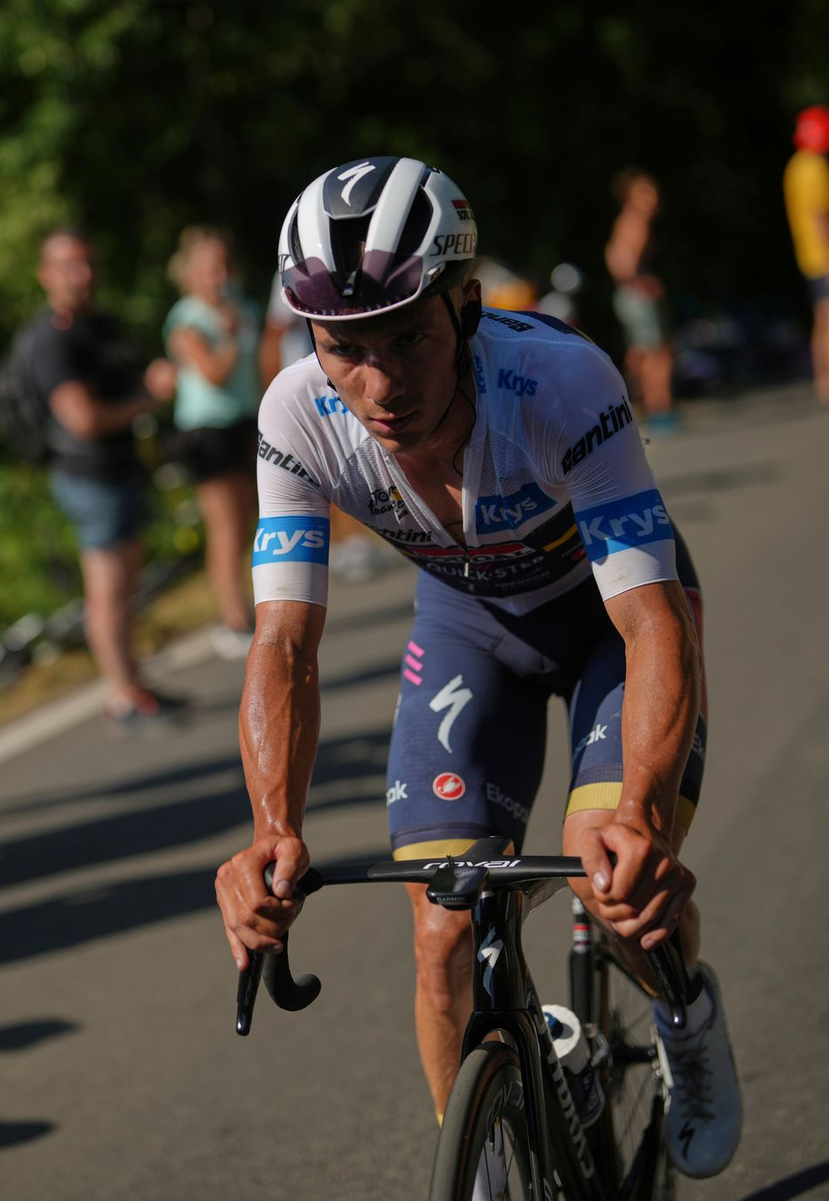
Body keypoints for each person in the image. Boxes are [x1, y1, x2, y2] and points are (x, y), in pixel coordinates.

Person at [214, 157, 741, 1180]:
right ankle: (490, 1167)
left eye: (407, 338)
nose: (378, 383)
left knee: (609, 871)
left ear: (466, 306)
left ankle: (686, 1012)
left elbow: (651, 620)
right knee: (441, 931)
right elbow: (283, 644)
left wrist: (638, 803)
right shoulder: (294, 418)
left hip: (609, 621)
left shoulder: (562, 383)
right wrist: (272, 827)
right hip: (470, 623)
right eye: (343, 349)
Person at [24, 227, 182, 734]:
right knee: (107, 589)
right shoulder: (52, 339)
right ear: (44, 274)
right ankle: (123, 696)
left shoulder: (100, 324)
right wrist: (148, 398)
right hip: (87, 476)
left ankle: (134, 683)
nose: (82, 273)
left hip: (121, 468)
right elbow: (82, 420)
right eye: (68, 264)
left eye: (87, 261)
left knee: (125, 583)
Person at [163, 228, 259, 659]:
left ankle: (258, 605)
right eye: (207, 267)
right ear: (190, 273)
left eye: (222, 264)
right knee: (226, 526)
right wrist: (233, 337)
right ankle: (233, 618)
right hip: (206, 431)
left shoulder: (242, 306)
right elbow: (213, 373)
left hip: (247, 421)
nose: (217, 274)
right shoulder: (186, 319)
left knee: (256, 520)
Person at [260, 269, 386, 583]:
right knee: (327, 461)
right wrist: (275, 390)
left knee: (349, 454)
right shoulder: (291, 274)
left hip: (342, 371)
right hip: (308, 380)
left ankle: (353, 539)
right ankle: (338, 543)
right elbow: (274, 334)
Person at [605, 169, 676, 430]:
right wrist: (639, 282)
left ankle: (634, 408)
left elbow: (612, 253)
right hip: (636, 295)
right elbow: (620, 259)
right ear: (630, 196)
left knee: (640, 353)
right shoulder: (636, 220)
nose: (652, 196)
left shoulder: (626, 220)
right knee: (659, 353)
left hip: (627, 294)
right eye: (644, 191)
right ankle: (660, 411)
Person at [783, 104, 829, 403]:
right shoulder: (814, 167)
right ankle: (825, 381)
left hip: (809, 255)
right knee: (826, 319)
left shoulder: (796, 166)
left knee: (822, 319)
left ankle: (823, 380)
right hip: (822, 255)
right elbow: (821, 215)